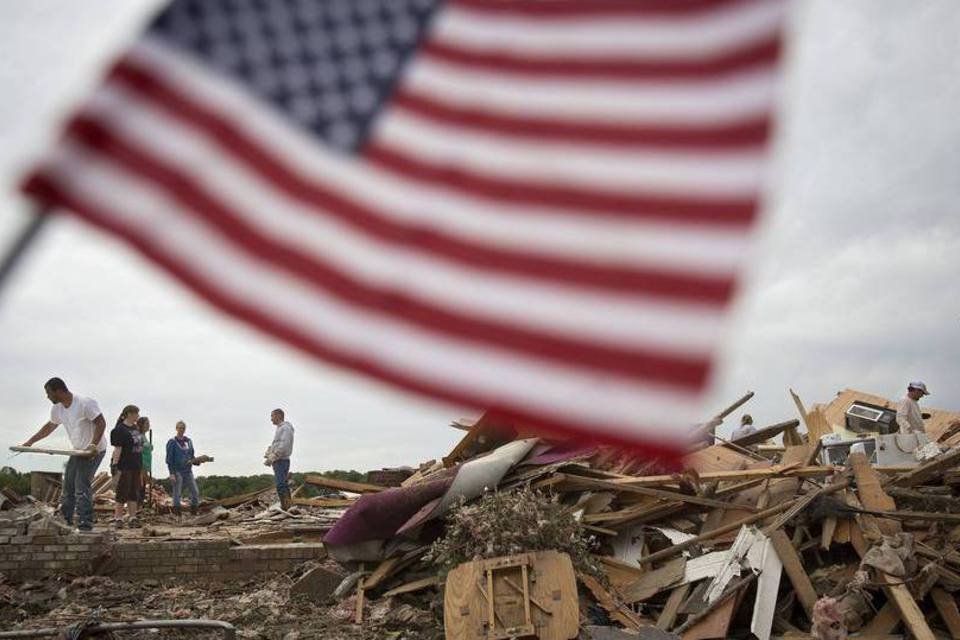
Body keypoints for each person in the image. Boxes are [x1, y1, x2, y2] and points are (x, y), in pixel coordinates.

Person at [21, 377, 107, 531]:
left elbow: (101, 423)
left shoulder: (84, 403)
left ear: (58, 391)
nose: (47, 396)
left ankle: (85, 524)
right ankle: (64, 520)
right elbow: (49, 426)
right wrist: (30, 441)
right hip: (78, 450)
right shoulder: (58, 409)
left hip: (94, 450)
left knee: (81, 485)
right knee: (68, 486)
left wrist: (93, 445)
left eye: (49, 393)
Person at [110, 405, 143, 527]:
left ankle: (132, 517)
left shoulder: (136, 428)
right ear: (129, 414)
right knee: (122, 491)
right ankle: (118, 518)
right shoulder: (119, 430)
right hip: (125, 465)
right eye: (136, 413)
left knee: (134, 492)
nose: (137, 416)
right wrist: (115, 464)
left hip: (136, 464)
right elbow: (118, 449)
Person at [166, 420, 200, 516]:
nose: (181, 430)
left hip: (188, 470)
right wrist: (171, 473)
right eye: (179, 428)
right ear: (176, 428)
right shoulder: (172, 442)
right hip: (177, 470)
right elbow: (169, 458)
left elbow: (192, 455)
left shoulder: (188, 441)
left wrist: (197, 461)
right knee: (177, 493)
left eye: (183, 428)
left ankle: (194, 512)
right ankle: (177, 514)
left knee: (195, 491)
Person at [264, 409, 295, 510]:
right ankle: (288, 506)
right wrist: (270, 451)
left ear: (278, 416)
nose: (271, 419)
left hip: (281, 460)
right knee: (282, 484)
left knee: (281, 485)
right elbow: (278, 443)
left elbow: (284, 445)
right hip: (279, 460)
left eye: (272, 416)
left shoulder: (285, 428)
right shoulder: (280, 428)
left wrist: (274, 456)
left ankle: (287, 506)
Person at [137, 417, 153, 505]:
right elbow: (138, 449)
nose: (148, 425)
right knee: (140, 485)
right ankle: (137, 507)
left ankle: (140, 506)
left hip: (146, 464)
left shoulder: (144, 436)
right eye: (146, 423)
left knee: (142, 486)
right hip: (141, 464)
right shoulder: (139, 436)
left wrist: (150, 447)